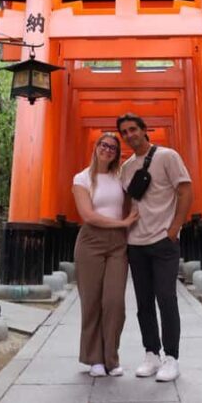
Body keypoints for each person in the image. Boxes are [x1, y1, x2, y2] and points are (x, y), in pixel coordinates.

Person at [117, 113, 193, 382]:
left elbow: (185, 190)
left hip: (163, 240)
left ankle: (172, 358)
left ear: (144, 130)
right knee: (143, 302)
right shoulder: (126, 167)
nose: (129, 135)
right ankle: (151, 353)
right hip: (136, 243)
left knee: (166, 298)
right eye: (124, 132)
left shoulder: (167, 156)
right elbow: (127, 203)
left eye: (133, 129)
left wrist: (174, 229)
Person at [72, 133, 139, 377]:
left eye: (112, 147)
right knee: (91, 303)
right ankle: (94, 359)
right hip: (90, 241)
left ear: (117, 153)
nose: (107, 150)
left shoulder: (120, 177)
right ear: (96, 147)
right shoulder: (81, 178)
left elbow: (137, 197)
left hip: (117, 245)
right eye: (104, 145)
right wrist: (123, 224)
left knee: (114, 303)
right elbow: (88, 216)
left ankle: (111, 357)